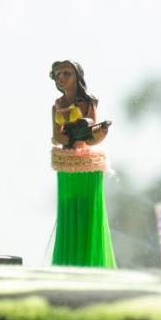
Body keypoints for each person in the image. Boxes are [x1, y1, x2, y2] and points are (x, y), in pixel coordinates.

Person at [49, 60, 116, 268]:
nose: (62, 78)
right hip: (67, 162)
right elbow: (56, 137)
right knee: (69, 215)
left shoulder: (89, 102)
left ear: (77, 76)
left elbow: (92, 136)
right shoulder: (57, 106)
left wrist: (97, 131)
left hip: (86, 162)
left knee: (88, 217)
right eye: (58, 74)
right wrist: (70, 138)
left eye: (67, 73)